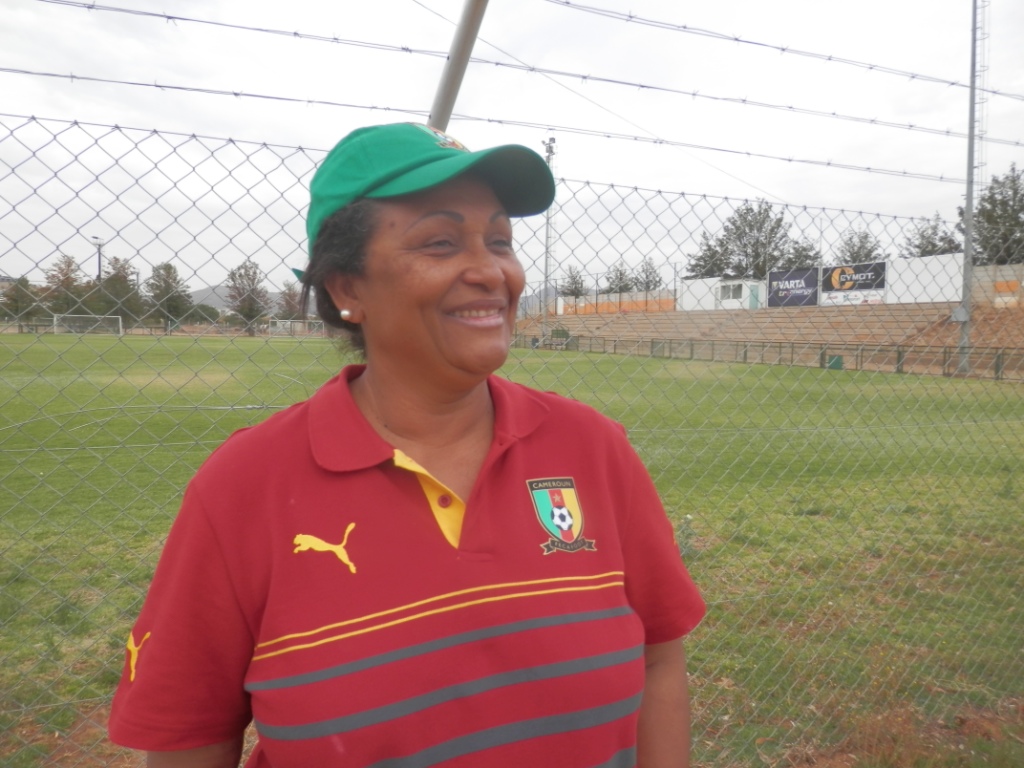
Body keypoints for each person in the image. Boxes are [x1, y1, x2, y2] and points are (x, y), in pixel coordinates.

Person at [108, 122, 706, 768]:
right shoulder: (243, 487)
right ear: (346, 288)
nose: (490, 271)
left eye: (500, 240)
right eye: (441, 242)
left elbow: (658, 660)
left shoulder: (592, 448)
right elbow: (190, 738)